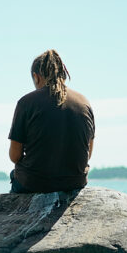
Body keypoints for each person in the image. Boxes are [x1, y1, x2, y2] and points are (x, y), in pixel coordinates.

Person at [8, 49, 95, 193]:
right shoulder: (84, 103)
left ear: (36, 77)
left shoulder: (26, 102)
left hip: (34, 183)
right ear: (63, 75)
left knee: (15, 175)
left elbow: (15, 156)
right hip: (75, 182)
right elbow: (88, 154)